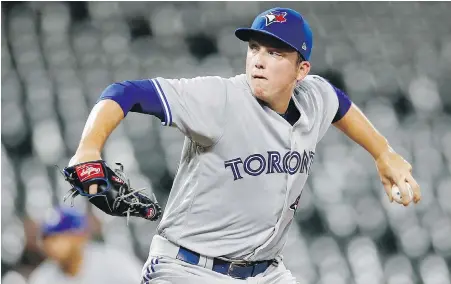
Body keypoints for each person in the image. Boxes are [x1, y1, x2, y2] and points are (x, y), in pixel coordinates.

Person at [67, 7, 421, 284]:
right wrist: (88, 149)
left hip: (266, 273)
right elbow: (125, 92)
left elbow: (339, 103)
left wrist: (383, 152)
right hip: (187, 270)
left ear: (302, 71)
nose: (259, 60)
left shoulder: (314, 97)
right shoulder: (220, 99)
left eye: (275, 53)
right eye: (254, 48)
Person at [28, 206, 143, 284]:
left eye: (59, 237)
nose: (51, 245)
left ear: (80, 236)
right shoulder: (43, 278)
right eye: (47, 239)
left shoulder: (115, 264)